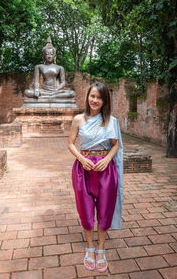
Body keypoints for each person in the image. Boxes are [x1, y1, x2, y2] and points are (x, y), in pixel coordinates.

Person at [68, 82, 123, 272]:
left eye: (99, 97)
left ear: (104, 100)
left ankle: (101, 249)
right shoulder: (78, 119)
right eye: (92, 96)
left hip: (105, 170)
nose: (95, 100)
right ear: (87, 97)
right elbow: (71, 144)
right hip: (83, 169)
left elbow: (115, 145)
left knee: (105, 210)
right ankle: (89, 248)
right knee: (85, 209)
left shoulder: (111, 121)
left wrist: (107, 159)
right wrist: (82, 159)